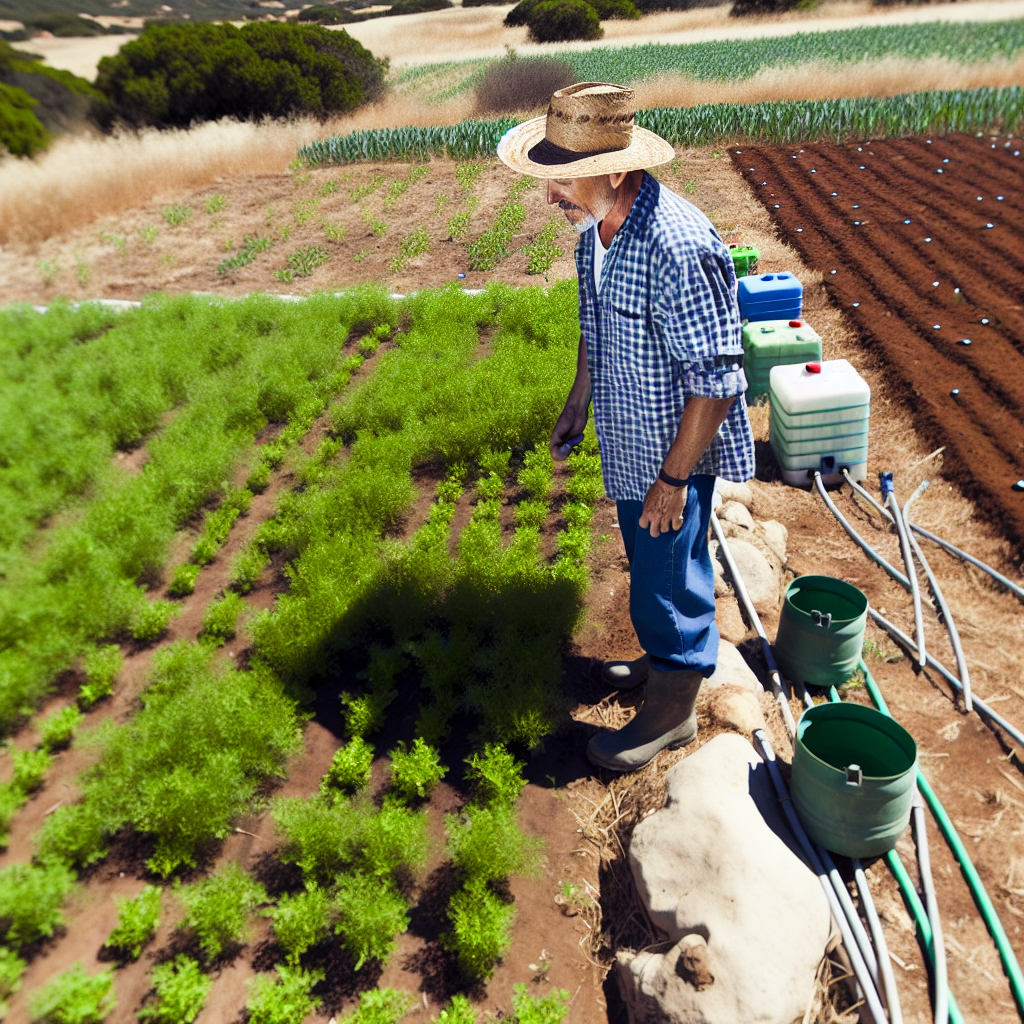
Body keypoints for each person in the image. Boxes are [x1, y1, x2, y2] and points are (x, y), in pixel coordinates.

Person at [497, 83, 755, 772]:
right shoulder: (596, 233)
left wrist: (674, 480)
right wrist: (578, 400)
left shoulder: (677, 244)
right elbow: (595, 320)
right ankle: (658, 660)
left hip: (675, 451)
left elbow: (718, 380)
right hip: (627, 435)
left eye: (561, 179)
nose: (551, 195)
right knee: (649, 566)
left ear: (614, 170)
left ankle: (672, 711)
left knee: (672, 571)